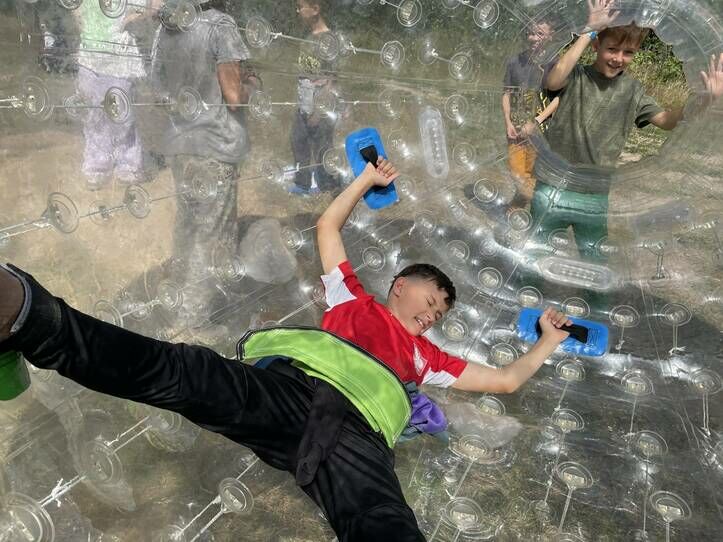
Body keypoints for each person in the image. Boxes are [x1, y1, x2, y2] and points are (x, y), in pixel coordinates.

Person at [0, 157, 574, 541]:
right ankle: (31, 317)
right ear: (400, 286)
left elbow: (505, 381)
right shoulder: (352, 300)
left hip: (359, 436)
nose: (432, 315)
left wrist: (548, 342)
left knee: (380, 519)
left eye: (440, 314)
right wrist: (365, 181)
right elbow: (328, 229)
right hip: (290, 390)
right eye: (430, 300)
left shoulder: (428, 359)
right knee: (185, 371)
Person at [530, 0, 723, 262]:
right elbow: (553, 81)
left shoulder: (633, 91)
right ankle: (531, 290)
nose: (619, 58)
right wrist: (590, 30)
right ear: (597, 46)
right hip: (553, 184)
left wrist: (704, 100)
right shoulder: (576, 76)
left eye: (628, 52)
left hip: (595, 192)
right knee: (536, 252)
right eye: (612, 49)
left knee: (595, 258)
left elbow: (666, 120)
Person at [149, 0, 259, 332]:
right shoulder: (220, 25)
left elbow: (158, 92)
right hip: (215, 146)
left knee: (187, 228)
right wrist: (253, 84)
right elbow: (234, 96)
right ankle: (192, 324)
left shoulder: (167, 26)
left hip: (181, 146)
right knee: (210, 237)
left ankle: (178, 301)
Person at [73, 0, 146, 189]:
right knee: (93, 115)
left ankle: (128, 166)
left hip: (119, 59)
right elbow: (74, 8)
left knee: (122, 115)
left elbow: (149, 6)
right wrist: (82, 22)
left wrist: (127, 21)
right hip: (89, 58)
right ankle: (97, 167)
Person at [501, 21, 560, 204]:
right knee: (518, 173)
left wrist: (536, 122)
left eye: (540, 34)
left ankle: (519, 210)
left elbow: (558, 99)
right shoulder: (515, 62)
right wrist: (508, 122)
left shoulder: (555, 64)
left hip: (541, 132)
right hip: (516, 130)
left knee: (532, 174)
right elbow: (506, 93)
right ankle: (524, 208)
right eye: (530, 33)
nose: (533, 38)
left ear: (551, 36)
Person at [289, 0, 339, 195]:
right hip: (304, 102)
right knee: (298, 140)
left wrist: (319, 111)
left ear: (315, 9)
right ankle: (302, 183)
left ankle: (328, 185)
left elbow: (332, 79)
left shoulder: (329, 40)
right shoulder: (307, 36)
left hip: (321, 104)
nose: (297, 10)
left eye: (301, 6)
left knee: (322, 145)